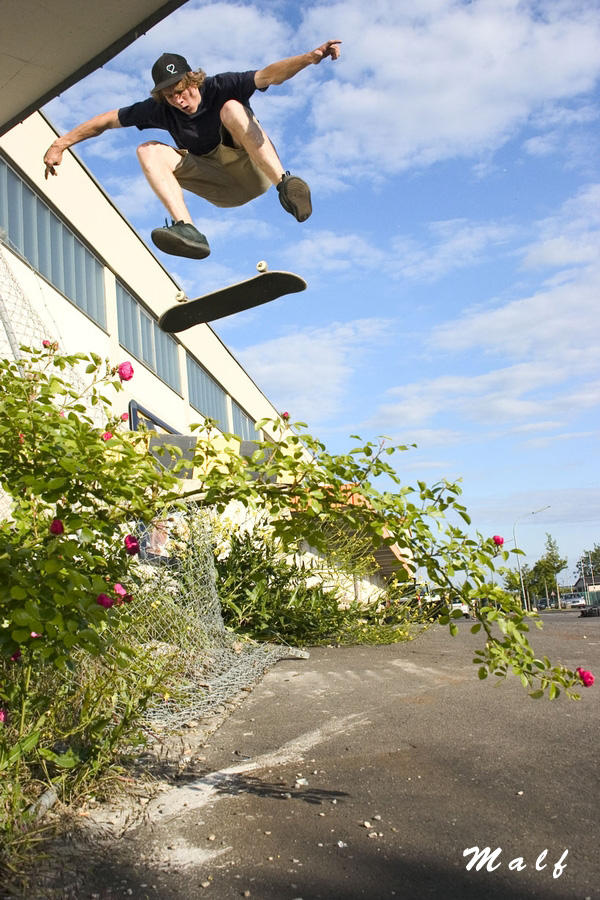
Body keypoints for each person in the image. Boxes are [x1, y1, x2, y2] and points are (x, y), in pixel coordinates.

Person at [43, 39, 342, 260]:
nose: (180, 100)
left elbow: (268, 76)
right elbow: (108, 120)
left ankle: (286, 186)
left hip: (252, 170)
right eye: (171, 96)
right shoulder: (160, 110)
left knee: (232, 109)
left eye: (183, 90)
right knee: (147, 150)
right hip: (219, 186)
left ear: (193, 80)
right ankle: (187, 229)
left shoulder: (221, 85)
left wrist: (308, 58)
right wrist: (61, 144)